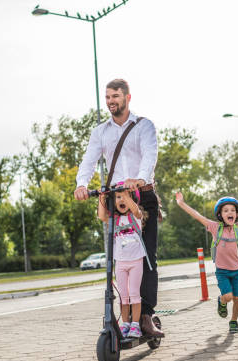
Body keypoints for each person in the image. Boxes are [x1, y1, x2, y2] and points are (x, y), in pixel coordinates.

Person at [74, 79, 163, 338]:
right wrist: (82, 184)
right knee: (117, 258)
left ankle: (145, 315)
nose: (111, 100)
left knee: (147, 257)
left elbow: (150, 154)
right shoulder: (100, 131)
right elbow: (89, 160)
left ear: (127, 97)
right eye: (108, 97)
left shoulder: (143, 126)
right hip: (115, 198)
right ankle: (123, 315)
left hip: (142, 196)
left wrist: (141, 177)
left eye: (116, 96)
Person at [175, 187, 238, 333]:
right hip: (222, 271)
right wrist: (181, 203)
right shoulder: (215, 227)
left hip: (237, 271)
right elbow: (197, 215)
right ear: (220, 215)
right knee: (228, 297)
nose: (230, 213)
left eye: (233, 210)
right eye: (226, 210)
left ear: (236, 214)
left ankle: (233, 321)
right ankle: (221, 301)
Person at [97, 187, 148, 338]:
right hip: (120, 263)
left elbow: (136, 209)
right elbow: (101, 216)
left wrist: (126, 194)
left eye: (124, 197)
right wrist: (101, 197)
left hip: (135, 261)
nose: (121, 200)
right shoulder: (115, 220)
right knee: (123, 295)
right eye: (118, 197)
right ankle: (125, 323)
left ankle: (135, 325)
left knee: (134, 293)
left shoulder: (135, 217)